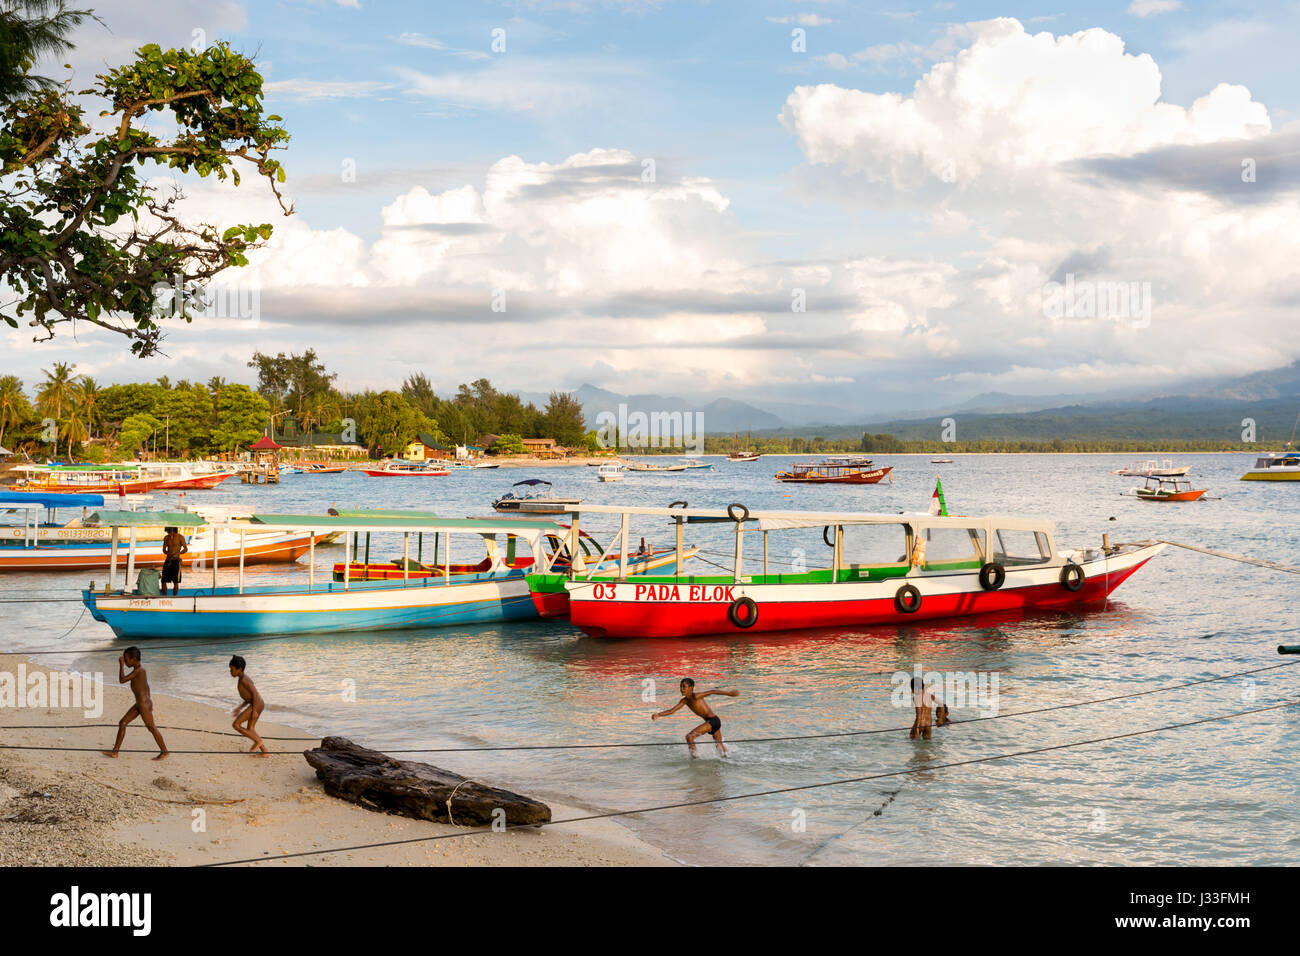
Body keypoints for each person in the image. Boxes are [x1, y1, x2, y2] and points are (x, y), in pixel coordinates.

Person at [102, 647, 169, 760]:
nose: (125, 661)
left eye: (126, 659)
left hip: (143, 705)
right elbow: (146, 686)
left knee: (151, 727)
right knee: (123, 722)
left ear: (133, 659)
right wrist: (149, 700)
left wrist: (121, 665)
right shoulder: (139, 671)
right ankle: (115, 752)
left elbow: (122, 680)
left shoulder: (139, 671)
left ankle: (164, 751)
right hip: (141, 704)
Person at [651, 678, 739, 757]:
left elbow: (712, 691)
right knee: (720, 747)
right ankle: (730, 759)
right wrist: (658, 715)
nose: (681, 689)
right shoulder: (684, 701)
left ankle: (695, 759)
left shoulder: (696, 696)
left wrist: (730, 694)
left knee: (689, 737)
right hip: (713, 721)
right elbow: (671, 711)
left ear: (691, 688)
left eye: (684, 687)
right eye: (680, 687)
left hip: (713, 721)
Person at [228, 655, 269, 755]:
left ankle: (258, 741)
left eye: (232, 669)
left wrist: (254, 710)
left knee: (236, 725)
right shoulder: (241, 679)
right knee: (250, 729)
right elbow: (248, 698)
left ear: (239, 669)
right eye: (230, 669)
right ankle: (265, 752)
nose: (230, 671)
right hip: (257, 704)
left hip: (257, 704)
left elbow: (255, 694)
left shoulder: (244, 680)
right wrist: (239, 708)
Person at [160, 526, 188, 596]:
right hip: (168, 560)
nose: (169, 534)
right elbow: (164, 550)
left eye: (170, 533)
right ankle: (165, 597)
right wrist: (168, 553)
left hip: (176, 561)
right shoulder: (166, 538)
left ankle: (174, 597)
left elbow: (185, 549)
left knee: (176, 581)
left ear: (174, 531)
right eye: (168, 533)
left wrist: (178, 553)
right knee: (163, 580)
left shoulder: (180, 537)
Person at [909, 675, 937, 740]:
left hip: (920, 723)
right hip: (929, 723)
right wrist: (941, 718)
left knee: (912, 738)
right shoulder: (930, 695)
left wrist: (916, 728)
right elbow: (941, 704)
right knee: (927, 744)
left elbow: (918, 715)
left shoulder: (916, 697)